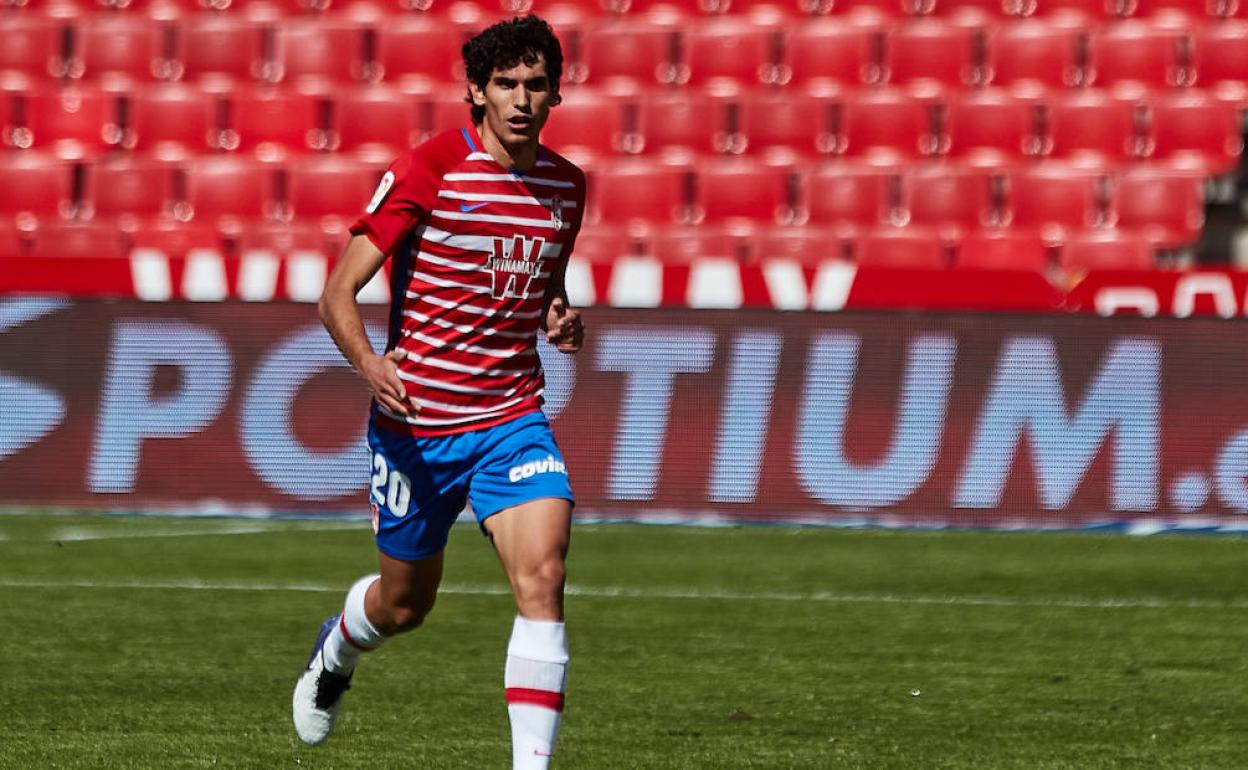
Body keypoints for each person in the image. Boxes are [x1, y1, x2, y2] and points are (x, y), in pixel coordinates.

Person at [292, 16, 586, 770]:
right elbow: (336, 294)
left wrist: (557, 314)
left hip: (511, 418)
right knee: (404, 606)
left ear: (555, 94)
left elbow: (541, 279)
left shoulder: (566, 185)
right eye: (505, 84)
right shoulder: (429, 168)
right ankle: (337, 651)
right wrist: (370, 365)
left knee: (544, 575)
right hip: (418, 425)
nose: (521, 99)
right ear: (477, 92)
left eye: (536, 85)